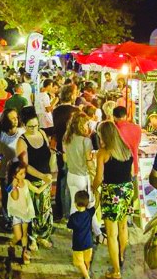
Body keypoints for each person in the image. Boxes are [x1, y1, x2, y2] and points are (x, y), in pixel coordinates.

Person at [93, 121, 134, 279]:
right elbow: (131, 172)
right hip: (127, 191)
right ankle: (121, 257)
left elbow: (99, 178)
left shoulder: (103, 153)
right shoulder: (126, 149)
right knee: (123, 227)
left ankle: (116, 272)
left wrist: (93, 188)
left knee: (111, 234)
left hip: (112, 193)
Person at [16, 106, 54, 251]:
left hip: (46, 178)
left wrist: (49, 173)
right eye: (31, 126)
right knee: (32, 210)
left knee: (45, 209)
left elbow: (48, 152)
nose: (34, 129)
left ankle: (43, 235)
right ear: (24, 125)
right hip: (32, 180)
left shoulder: (42, 133)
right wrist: (42, 176)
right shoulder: (22, 141)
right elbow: (25, 165)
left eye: (36, 125)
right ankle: (32, 238)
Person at [63, 112, 104, 244]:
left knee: (75, 205)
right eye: (86, 124)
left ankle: (77, 231)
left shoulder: (67, 138)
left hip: (71, 175)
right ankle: (97, 233)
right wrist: (95, 172)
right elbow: (89, 161)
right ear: (81, 125)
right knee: (89, 205)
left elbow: (65, 158)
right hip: (82, 177)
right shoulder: (86, 141)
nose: (88, 126)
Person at [7, 160, 50, 265]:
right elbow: (15, 197)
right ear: (14, 175)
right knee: (18, 236)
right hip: (17, 213)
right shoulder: (10, 187)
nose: (23, 175)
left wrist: (47, 183)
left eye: (24, 173)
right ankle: (11, 244)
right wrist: (14, 186)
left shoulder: (26, 182)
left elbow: (37, 191)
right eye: (21, 174)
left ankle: (24, 252)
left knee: (24, 234)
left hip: (26, 212)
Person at [0, 108, 24, 231]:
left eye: (16, 117)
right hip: (4, 172)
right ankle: (7, 218)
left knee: (19, 194)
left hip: (19, 172)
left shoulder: (22, 132)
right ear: (6, 120)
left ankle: (18, 217)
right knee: (6, 194)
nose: (15, 120)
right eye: (12, 118)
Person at [52, 83, 80, 220]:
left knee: (61, 177)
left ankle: (60, 207)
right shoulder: (76, 111)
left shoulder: (56, 111)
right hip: (72, 148)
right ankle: (69, 208)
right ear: (72, 95)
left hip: (59, 148)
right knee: (70, 178)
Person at [67, 190, 97, 279]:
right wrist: (97, 194)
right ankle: (86, 273)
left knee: (79, 262)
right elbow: (96, 206)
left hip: (78, 245)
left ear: (75, 203)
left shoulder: (73, 217)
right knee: (87, 261)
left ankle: (87, 278)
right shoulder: (89, 213)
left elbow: (69, 227)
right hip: (89, 243)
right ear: (87, 203)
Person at [112, 105, 142, 175]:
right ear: (125, 116)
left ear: (114, 117)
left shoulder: (114, 129)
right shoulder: (137, 128)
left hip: (118, 166)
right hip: (134, 165)